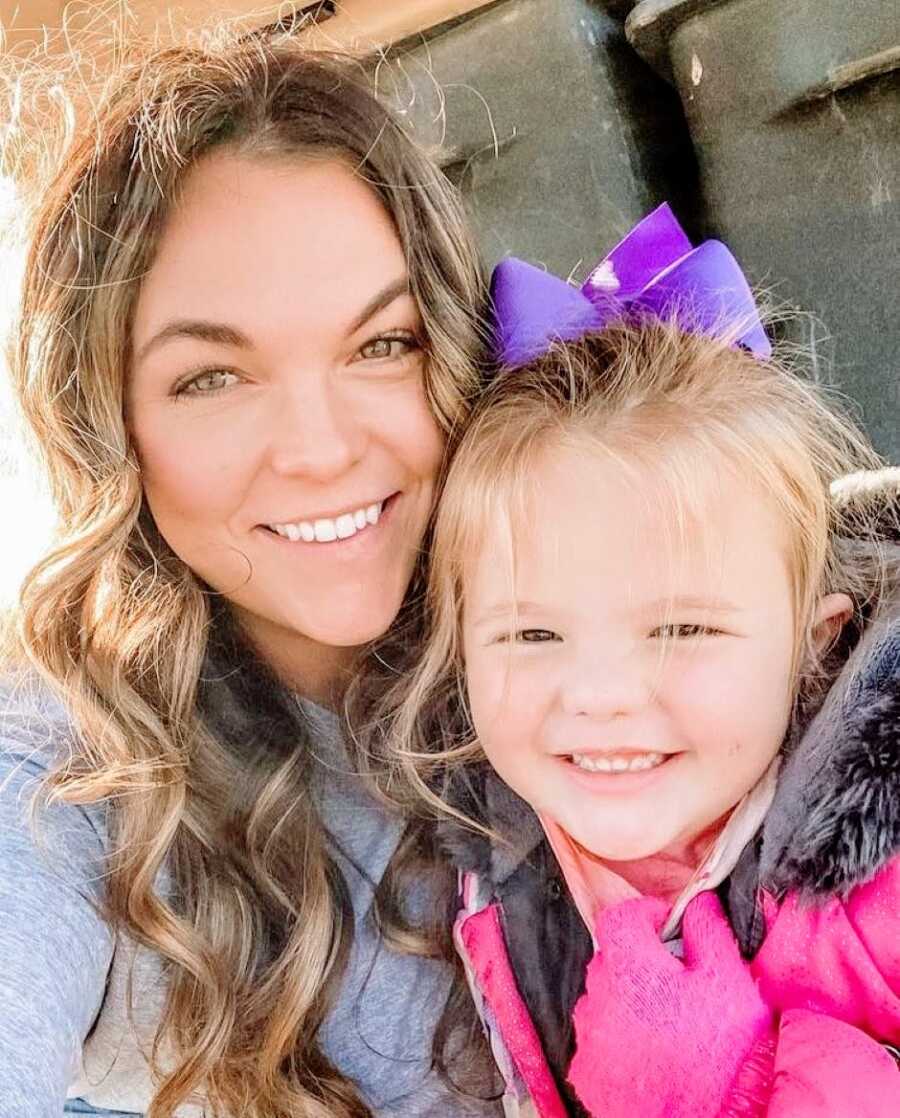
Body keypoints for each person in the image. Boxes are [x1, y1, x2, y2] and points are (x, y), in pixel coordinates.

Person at [0, 31, 504, 1118]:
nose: (319, 449)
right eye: (213, 375)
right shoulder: (63, 781)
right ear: (110, 426)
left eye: (382, 344)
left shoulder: (589, 615)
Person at [377, 206, 900, 1116]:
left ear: (813, 645)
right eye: (533, 635)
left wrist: (732, 1091)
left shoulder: (881, 885)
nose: (602, 696)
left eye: (682, 630)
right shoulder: (488, 845)